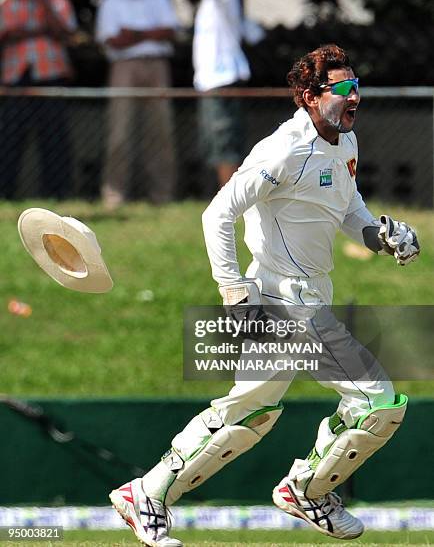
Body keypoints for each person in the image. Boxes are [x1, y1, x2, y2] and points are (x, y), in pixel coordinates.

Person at [108, 44, 420, 546]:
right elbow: (218, 213)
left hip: (307, 296)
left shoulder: (344, 141)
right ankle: (305, 490)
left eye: (356, 85)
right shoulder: (284, 149)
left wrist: (379, 236)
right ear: (309, 96)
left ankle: (147, 491)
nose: (354, 95)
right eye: (342, 88)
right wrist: (233, 288)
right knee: (377, 403)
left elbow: (347, 207)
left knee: (250, 412)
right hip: (282, 300)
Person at [96, 0, 178, 208]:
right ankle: (114, 195)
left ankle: (162, 195)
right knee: (120, 132)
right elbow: (112, 40)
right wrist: (149, 34)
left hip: (156, 66)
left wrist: (134, 33)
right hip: (124, 67)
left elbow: (170, 32)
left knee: (161, 130)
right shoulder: (110, 1)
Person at [0, 0, 77, 199]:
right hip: (16, 76)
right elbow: (6, 34)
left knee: (54, 136)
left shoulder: (57, 0)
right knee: (10, 137)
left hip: (49, 74)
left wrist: (42, 3)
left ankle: (57, 193)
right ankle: (5, 193)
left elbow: (63, 32)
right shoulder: (8, 4)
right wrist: (38, 31)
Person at [187, 0, 251, 188]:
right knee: (215, 143)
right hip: (211, 80)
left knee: (225, 143)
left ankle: (230, 201)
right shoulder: (211, 0)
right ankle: (226, 198)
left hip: (222, 80)